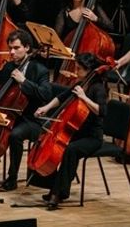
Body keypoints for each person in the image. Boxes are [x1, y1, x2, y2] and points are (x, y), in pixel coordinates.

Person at [0, 30, 51, 189]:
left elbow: (46, 94)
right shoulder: (8, 66)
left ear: (27, 48)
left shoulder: (39, 70)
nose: (12, 52)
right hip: (8, 114)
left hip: (30, 119)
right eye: (10, 48)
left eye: (16, 48)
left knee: (15, 136)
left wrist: (24, 81)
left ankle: (12, 178)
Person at [33, 53, 111, 208]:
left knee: (70, 150)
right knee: (47, 143)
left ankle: (59, 193)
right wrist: (45, 108)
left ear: (89, 70)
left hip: (92, 137)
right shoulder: (80, 83)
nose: (76, 71)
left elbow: (102, 111)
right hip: (77, 132)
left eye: (79, 68)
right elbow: (62, 97)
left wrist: (84, 98)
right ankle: (50, 186)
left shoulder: (98, 88)